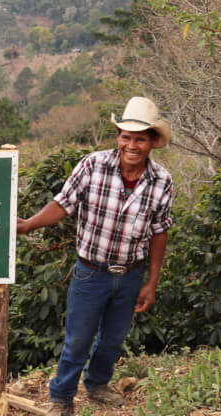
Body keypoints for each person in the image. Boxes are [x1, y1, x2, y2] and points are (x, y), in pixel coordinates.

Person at [16, 97, 173, 416]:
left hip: (130, 275)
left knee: (113, 340)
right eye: (126, 136)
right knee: (78, 340)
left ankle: (98, 385)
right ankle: (62, 396)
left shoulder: (162, 182)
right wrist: (29, 224)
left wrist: (151, 282)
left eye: (140, 138)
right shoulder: (93, 165)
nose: (132, 145)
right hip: (91, 273)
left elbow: (159, 232)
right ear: (118, 136)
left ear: (153, 142)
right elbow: (63, 203)